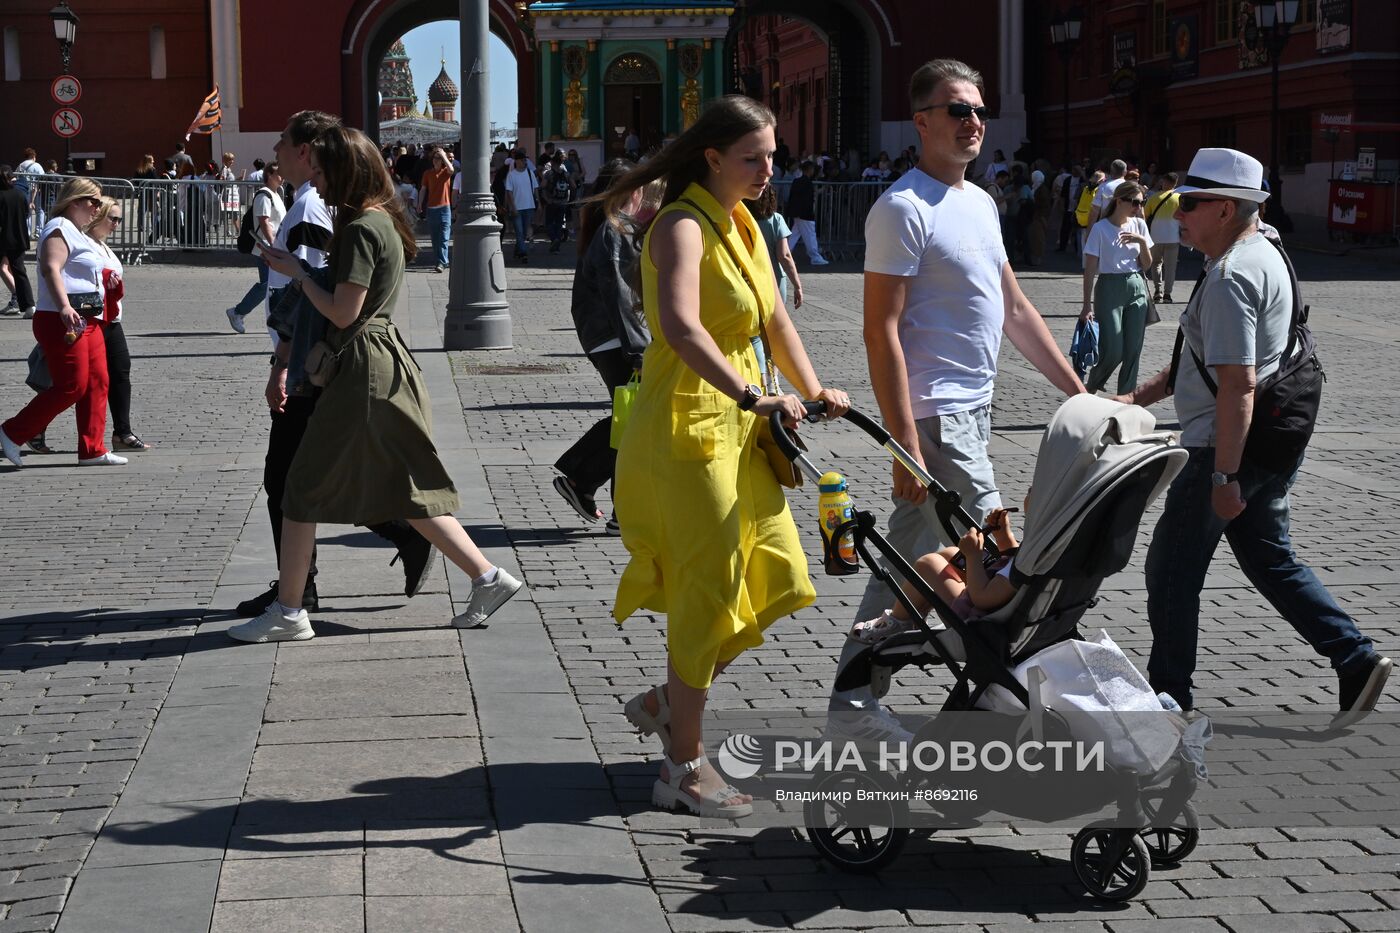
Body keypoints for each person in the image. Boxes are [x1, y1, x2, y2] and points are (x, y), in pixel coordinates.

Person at [606, 95, 851, 818]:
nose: (769, 170)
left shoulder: (741, 220)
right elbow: (680, 327)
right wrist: (753, 394)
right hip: (689, 428)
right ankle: (682, 766)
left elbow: (774, 317)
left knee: (778, 574)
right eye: (754, 158)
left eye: (773, 156)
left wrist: (813, 388)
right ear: (712, 157)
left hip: (742, 428)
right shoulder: (682, 225)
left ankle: (666, 700)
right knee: (708, 588)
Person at [826, 58, 1085, 742]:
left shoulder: (981, 201)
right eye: (957, 110)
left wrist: (1080, 392)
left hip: (972, 411)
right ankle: (1010, 699)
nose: (973, 122)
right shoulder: (903, 208)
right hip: (935, 416)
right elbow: (880, 330)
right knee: (997, 557)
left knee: (913, 563)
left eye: (978, 110)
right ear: (921, 122)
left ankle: (854, 707)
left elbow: (1016, 307)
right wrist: (905, 444)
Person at [1113, 147, 1390, 727]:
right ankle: (1354, 657)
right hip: (1269, 436)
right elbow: (1205, 361)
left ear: (1229, 209)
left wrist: (1223, 477)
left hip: (1226, 444)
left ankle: (1170, 700)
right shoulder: (1262, 250)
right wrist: (1137, 398)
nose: (1179, 211)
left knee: (1170, 569)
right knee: (1268, 557)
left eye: (1192, 202)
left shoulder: (1234, 276)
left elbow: (1235, 384)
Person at [228, 123, 523, 643]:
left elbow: (344, 312)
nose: (314, 181)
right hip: (378, 362)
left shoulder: (363, 226)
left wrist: (298, 274)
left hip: (363, 366)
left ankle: (291, 610)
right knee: (404, 486)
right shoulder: (378, 219)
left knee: (299, 486)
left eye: (321, 171)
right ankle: (488, 576)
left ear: (346, 170)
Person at [234, 112, 431, 620]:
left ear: (307, 153)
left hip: (315, 364)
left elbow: (318, 297)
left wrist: (282, 364)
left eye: (282, 141)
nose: (274, 149)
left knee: (291, 479)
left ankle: (300, 591)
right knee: (307, 475)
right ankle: (306, 583)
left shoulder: (315, 213)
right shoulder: (317, 207)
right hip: (313, 360)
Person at [552, 160, 655, 534]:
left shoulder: (612, 228)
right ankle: (593, 488)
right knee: (635, 423)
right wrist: (640, 351)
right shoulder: (614, 231)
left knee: (631, 420)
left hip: (607, 338)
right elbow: (620, 298)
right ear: (633, 190)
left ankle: (597, 493)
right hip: (616, 339)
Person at [1, 178, 127, 468]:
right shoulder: (58, 228)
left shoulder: (77, 232)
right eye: (93, 202)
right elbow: (50, 268)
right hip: (63, 318)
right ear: (75, 202)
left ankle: (92, 449)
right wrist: (64, 306)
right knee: (72, 385)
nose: (97, 207)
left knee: (98, 382)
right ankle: (11, 431)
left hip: (87, 317)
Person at [851, 507, 1019, 644]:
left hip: (977, 621)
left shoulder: (1029, 562)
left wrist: (973, 556)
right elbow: (1013, 559)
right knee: (951, 554)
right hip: (999, 604)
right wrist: (1005, 536)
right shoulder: (1039, 549)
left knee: (928, 564)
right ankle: (914, 611)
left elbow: (982, 598)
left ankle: (898, 622)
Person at [85, 196, 151, 451]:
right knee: (75, 382)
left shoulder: (102, 245)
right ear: (98, 217)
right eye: (113, 218)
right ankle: (34, 428)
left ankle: (122, 433)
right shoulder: (85, 244)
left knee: (121, 371)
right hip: (93, 319)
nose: (117, 224)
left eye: (119, 219)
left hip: (111, 318)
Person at [1079, 181, 1153, 395]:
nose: (1139, 207)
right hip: (1109, 287)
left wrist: (1141, 242)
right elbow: (1090, 268)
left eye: (1142, 203)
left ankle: (1125, 398)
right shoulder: (1101, 229)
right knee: (1113, 349)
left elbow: (1146, 265)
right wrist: (1086, 305)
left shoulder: (1139, 225)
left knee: (1133, 350)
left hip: (1137, 286)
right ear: (1119, 200)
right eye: (1135, 202)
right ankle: (1092, 385)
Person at [227, 161, 286, 333]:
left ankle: (279, 319)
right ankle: (237, 312)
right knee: (268, 284)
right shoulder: (264, 195)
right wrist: (273, 245)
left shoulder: (276, 194)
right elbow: (264, 222)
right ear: (269, 175)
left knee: (273, 284)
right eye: (278, 174)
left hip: (272, 248)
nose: (282, 177)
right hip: (265, 248)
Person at [745, 184, 802, 312]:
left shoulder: (741, 219)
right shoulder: (776, 220)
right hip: (774, 278)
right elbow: (784, 256)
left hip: (748, 277)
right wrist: (797, 285)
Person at [0, 166, 34, 319]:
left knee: (7, 269)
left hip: (3, 238)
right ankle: (29, 305)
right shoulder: (20, 195)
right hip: (19, 237)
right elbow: (26, 213)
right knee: (20, 272)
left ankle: (17, 300)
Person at [1145, 172, 1182, 303]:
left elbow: (1144, 215)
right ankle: (1167, 294)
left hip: (1155, 237)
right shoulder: (1179, 198)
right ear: (1176, 183)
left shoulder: (1154, 197)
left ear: (1163, 182)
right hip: (1173, 237)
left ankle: (1157, 291)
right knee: (1171, 267)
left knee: (1156, 264)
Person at [417, 147, 454, 272]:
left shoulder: (445, 172)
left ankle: (442, 262)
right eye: (434, 158)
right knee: (435, 239)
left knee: (444, 237)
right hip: (431, 209)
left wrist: (443, 155)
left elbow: (451, 169)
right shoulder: (427, 173)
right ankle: (440, 260)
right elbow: (423, 189)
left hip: (445, 209)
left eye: (438, 158)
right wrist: (419, 203)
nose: (436, 160)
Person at [785, 161, 826, 266]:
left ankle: (785, 253)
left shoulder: (797, 181)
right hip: (805, 213)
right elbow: (807, 200)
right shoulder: (807, 183)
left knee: (794, 234)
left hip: (797, 212)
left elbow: (793, 198)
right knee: (810, 235)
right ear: (809, 170)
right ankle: (815, 257)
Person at [503, 151, 539, 263]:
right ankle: (523, 253)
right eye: (523, 160)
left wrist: (539, 202)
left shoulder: (529, 173)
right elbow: (509, 192)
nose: (525, 162)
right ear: (517, 161)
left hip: (529, 206)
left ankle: (517, 251)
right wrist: (512, 207)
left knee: (523, 232)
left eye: (525, 160)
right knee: (519, 231)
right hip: (517, 207)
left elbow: (536, 188)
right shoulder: (511, 175)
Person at [540, 151, 573, 255]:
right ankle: (556, 248)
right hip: (563, 202)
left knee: (548, 224)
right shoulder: (566, 173)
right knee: (559, 224)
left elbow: (542, 186)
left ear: (553, 162)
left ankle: (554, 239)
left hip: (552, 202)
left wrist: (546, 197)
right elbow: (574, 186)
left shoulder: (549, 173)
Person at [1087, 158, 1127, 228]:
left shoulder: (1103, 186)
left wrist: (1088, 234)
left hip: (1105, 227)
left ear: (1111, 172)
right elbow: (1140, 213)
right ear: (1125, 172)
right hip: (1126, 228)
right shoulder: (1132, 188)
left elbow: (1094, 212)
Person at [15, 149, 44, 238]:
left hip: (23, 191)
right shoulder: (37, 165)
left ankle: (26, 232)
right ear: (33, 156)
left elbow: (16, 177)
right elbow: (43, 177)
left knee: (27, 211)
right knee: (39, 211)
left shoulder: (20, 165)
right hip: (35, 190)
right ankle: (39, 232)